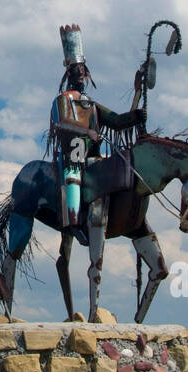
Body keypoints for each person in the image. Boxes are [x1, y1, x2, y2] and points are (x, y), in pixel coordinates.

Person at [49, 24, 143, 241]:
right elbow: (60, 123)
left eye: (83, 73)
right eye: (77, 73)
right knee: (72, 178)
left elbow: (118, 121)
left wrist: (137, 99)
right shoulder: (64, 99)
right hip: (72, 156)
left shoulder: (91, 104)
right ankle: (72, 222)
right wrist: (87, 131)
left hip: (93, 157)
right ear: (70, 75)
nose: (81, 78)